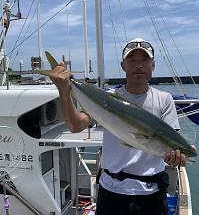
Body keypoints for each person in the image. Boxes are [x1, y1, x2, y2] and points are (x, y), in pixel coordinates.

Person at [50, 38, 188, 215]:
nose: (139, 65)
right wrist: (64, 91)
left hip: (151, 192)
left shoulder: (164, 100)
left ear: (153, 66)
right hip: (111, 191)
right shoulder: (108, 98)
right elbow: (76, 126)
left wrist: (174, 157)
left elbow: (168, 142)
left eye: (144, 60)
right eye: (132, 60)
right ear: (123, 65)